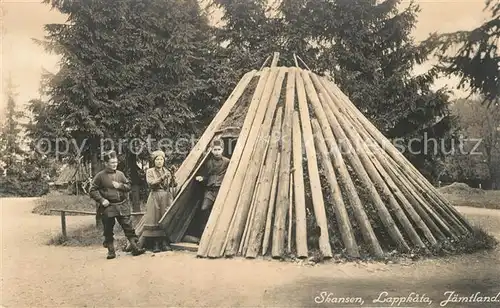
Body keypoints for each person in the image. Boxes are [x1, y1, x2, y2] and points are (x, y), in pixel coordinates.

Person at [89, 150, 145, 259]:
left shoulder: (120, 174)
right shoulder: (100, 176)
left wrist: (120, 186)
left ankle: (135, 247)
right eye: (112, 163)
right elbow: (92, 190)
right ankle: (111, 251)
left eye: (116, 162)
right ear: (106, 163)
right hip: (108, 207)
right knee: (108, 229)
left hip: (122, 205)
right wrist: (101, 200)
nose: (115, 165)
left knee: (128, 227)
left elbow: (128, 186)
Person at [141, 150, 177, 253]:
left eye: (161, 159)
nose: (159, 161)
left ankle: (164, 242)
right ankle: (155, 243)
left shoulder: (166, 171)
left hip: (166, 196)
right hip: (155, 196)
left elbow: (173, 185)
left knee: (164, 218)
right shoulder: (150, 171)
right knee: (154, 218)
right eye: (157, 159)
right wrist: (162, 178)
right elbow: (151, 183)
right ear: (154, 161)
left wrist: (173, 176)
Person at [195, 139, 230, 232]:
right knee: (204, 209)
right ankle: (205, 232)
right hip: (210, 190)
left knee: (221, 211)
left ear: (222, 149)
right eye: (215, 150)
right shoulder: (208, 162)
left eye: (219, 149)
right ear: (211, 150)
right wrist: (202, 178)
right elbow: (207, 174)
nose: (217, 152)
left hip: (221, 190)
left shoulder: (227, 162)